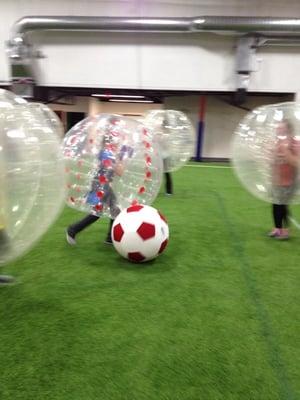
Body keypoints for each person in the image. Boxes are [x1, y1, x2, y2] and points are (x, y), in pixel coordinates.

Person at [66, 136, 126, 246]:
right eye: (116, 141)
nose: (118, 143)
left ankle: (110, 238)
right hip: (101, 185)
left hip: (103, 184)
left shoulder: (107, 153)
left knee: (113, 210)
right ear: (109, 143)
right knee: (100, 212)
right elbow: (120, 171)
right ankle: (73, 229)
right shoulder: (107, 154)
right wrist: (119, 157)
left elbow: (119, 171)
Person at [268, 120, 300, 239]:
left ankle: (285, 231)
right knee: (275, 206)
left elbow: (297, 162)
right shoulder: (277, 143)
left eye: (281, 128)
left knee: (283, 206)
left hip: (288, 181)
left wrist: (286, 153)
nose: (278, 130)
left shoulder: (294, 143)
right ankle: (277, 228)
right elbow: (272, 162)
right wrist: (273, 157)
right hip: (277, 180)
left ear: (288, 130)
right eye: (278, 128)